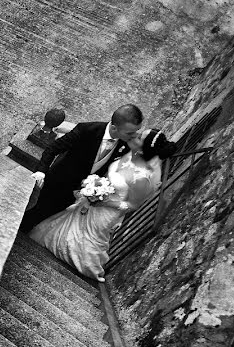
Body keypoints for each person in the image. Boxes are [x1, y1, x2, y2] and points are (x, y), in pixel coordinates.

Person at [28, 128, 178, 282]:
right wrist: (91, 185)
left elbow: (132, 205)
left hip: (106, 213)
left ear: (146, 146)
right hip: (89, 202)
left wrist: (106, 201)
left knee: (85, 245)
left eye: (140, 137)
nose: (135, 136)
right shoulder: (131, 153)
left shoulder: (145, 177)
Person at [20, 104, 144, 232]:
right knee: (32, 211)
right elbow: (52, 149)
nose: (134, 135)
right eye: (130, 132)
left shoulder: (126, 145)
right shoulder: (86, 129)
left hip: (75, 195)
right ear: (114, 127)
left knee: (44, 217)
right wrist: (41, 171)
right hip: (56, 182)